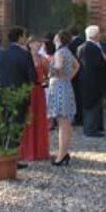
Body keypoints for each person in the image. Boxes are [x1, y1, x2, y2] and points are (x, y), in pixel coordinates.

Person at [0, 26, 36, 169]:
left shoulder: (1, 53)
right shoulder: (25, 54)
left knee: (3, 125)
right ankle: (12, 158)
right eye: (24, 36)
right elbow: (33, 77)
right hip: (20, 94)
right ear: (19, 37)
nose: (26, 38)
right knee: (17, 126)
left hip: (3, 93)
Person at [47, 30, 79, 166]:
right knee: (65, 124)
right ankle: (64, 153)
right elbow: (77, 66)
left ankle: (61, 155)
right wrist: (68, 77)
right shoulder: (67, 51)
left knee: (63, 124)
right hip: (65, 85)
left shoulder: (60, 52)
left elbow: (59, 66)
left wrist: (51, 73)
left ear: (59, 38)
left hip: (59, 87)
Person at [19, 36, 51, 161]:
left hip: (38, 91)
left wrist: (45, 82)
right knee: (27, 118)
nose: (38, 45)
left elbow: (49, 75)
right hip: (27, 90)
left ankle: (38, 150)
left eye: (39, 43)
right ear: (30, 44)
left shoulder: (43, 59)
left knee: (38, 118)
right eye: (35, 42)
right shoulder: (23, 57)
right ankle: (25, 150)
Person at [77, 26, 106, 137]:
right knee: (94, 105)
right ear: (95, 35)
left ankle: (88, 128)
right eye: (99, 33)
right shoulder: (95, 49)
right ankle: (91, 130)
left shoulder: (80, 47)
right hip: (95, 80)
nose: (100, 35)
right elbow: (99, 65)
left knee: (86, 105)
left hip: (83, 79)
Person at [68, 26, 85, 125]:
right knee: (80, 96)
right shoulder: (83, 41)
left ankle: (78, 118)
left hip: (74, 73)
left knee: (76, 97)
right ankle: (81, 116)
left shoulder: (71, 45)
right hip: (83, 73)